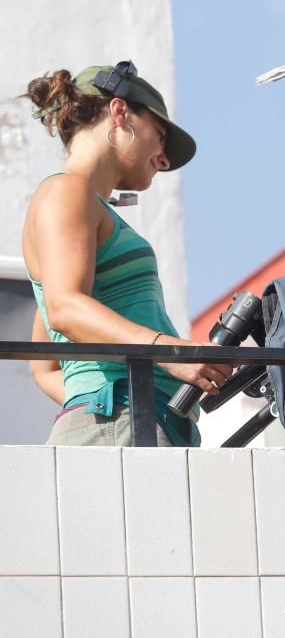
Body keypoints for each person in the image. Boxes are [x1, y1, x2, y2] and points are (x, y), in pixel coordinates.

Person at [21, 61, 233, 446]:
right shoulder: (67, 192)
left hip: (132, 417)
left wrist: (93, 398)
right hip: (120, 418)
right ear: (120, 112)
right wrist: (166, 357)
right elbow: (65, 309)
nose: (165, 159)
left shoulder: (84, 205)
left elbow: (45, 364)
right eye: (161, 136)